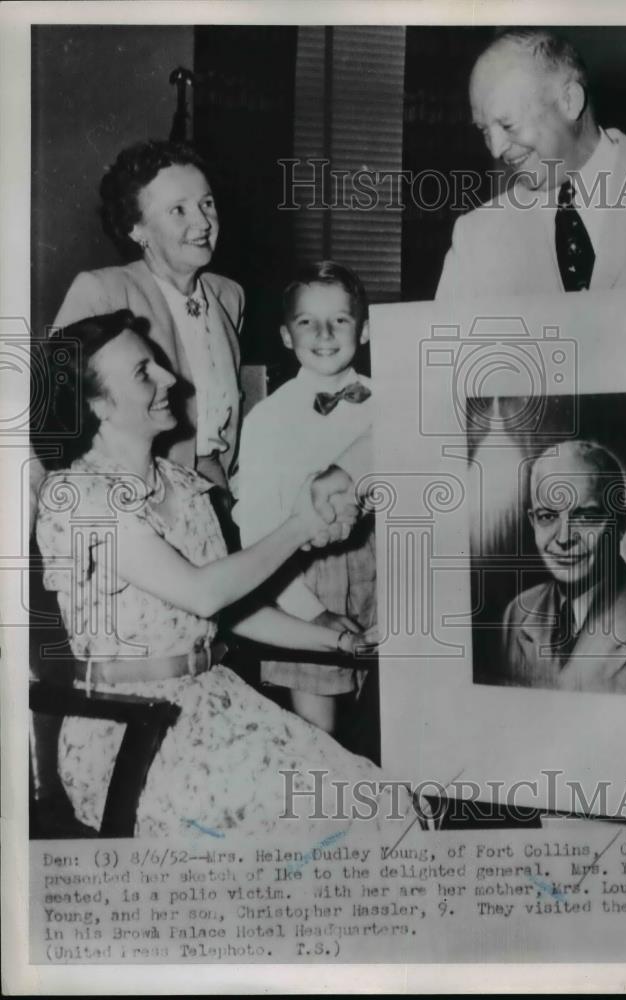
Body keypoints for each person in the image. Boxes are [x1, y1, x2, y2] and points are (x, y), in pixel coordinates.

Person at [35, 310, 410, 837]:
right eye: (145, 373)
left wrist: (336, 642)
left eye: (160, 364)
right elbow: (202, 593)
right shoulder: (78, 499)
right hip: (129, 735)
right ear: (96, 405)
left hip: (214, 703)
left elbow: (231, 610)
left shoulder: (184, 485)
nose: (171, 379)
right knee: (314, 835)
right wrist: (300, 524)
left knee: (381, 807)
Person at [436, 28, 626, 298]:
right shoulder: (476, 236)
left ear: (570, 100)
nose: (496, 148)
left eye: (508, 125)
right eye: (483, 130)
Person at [48, 139, 242, 492]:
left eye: (207, 203)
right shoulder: (103, 291)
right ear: (137, 229)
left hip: (218, 484)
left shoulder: (228, 296)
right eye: (178, 210)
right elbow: (52, 404)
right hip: (135, 489)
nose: (203, 222)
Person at [233, 262, 374, 736]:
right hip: (306, 582)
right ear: (286, 336)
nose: (324, 333)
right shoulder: (267, 420)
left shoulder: (394, 405)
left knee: (399, 729)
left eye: (340, 319)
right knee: (318, 739)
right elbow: (256, 529)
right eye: (306, 321)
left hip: (390, 578)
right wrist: (310, 613)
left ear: (366, 329)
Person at [501, 440, 626, 696]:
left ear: (621, 521)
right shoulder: (516, 615)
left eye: (585, 516)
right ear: (533, 521)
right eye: (547, 516)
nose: (564, 538)